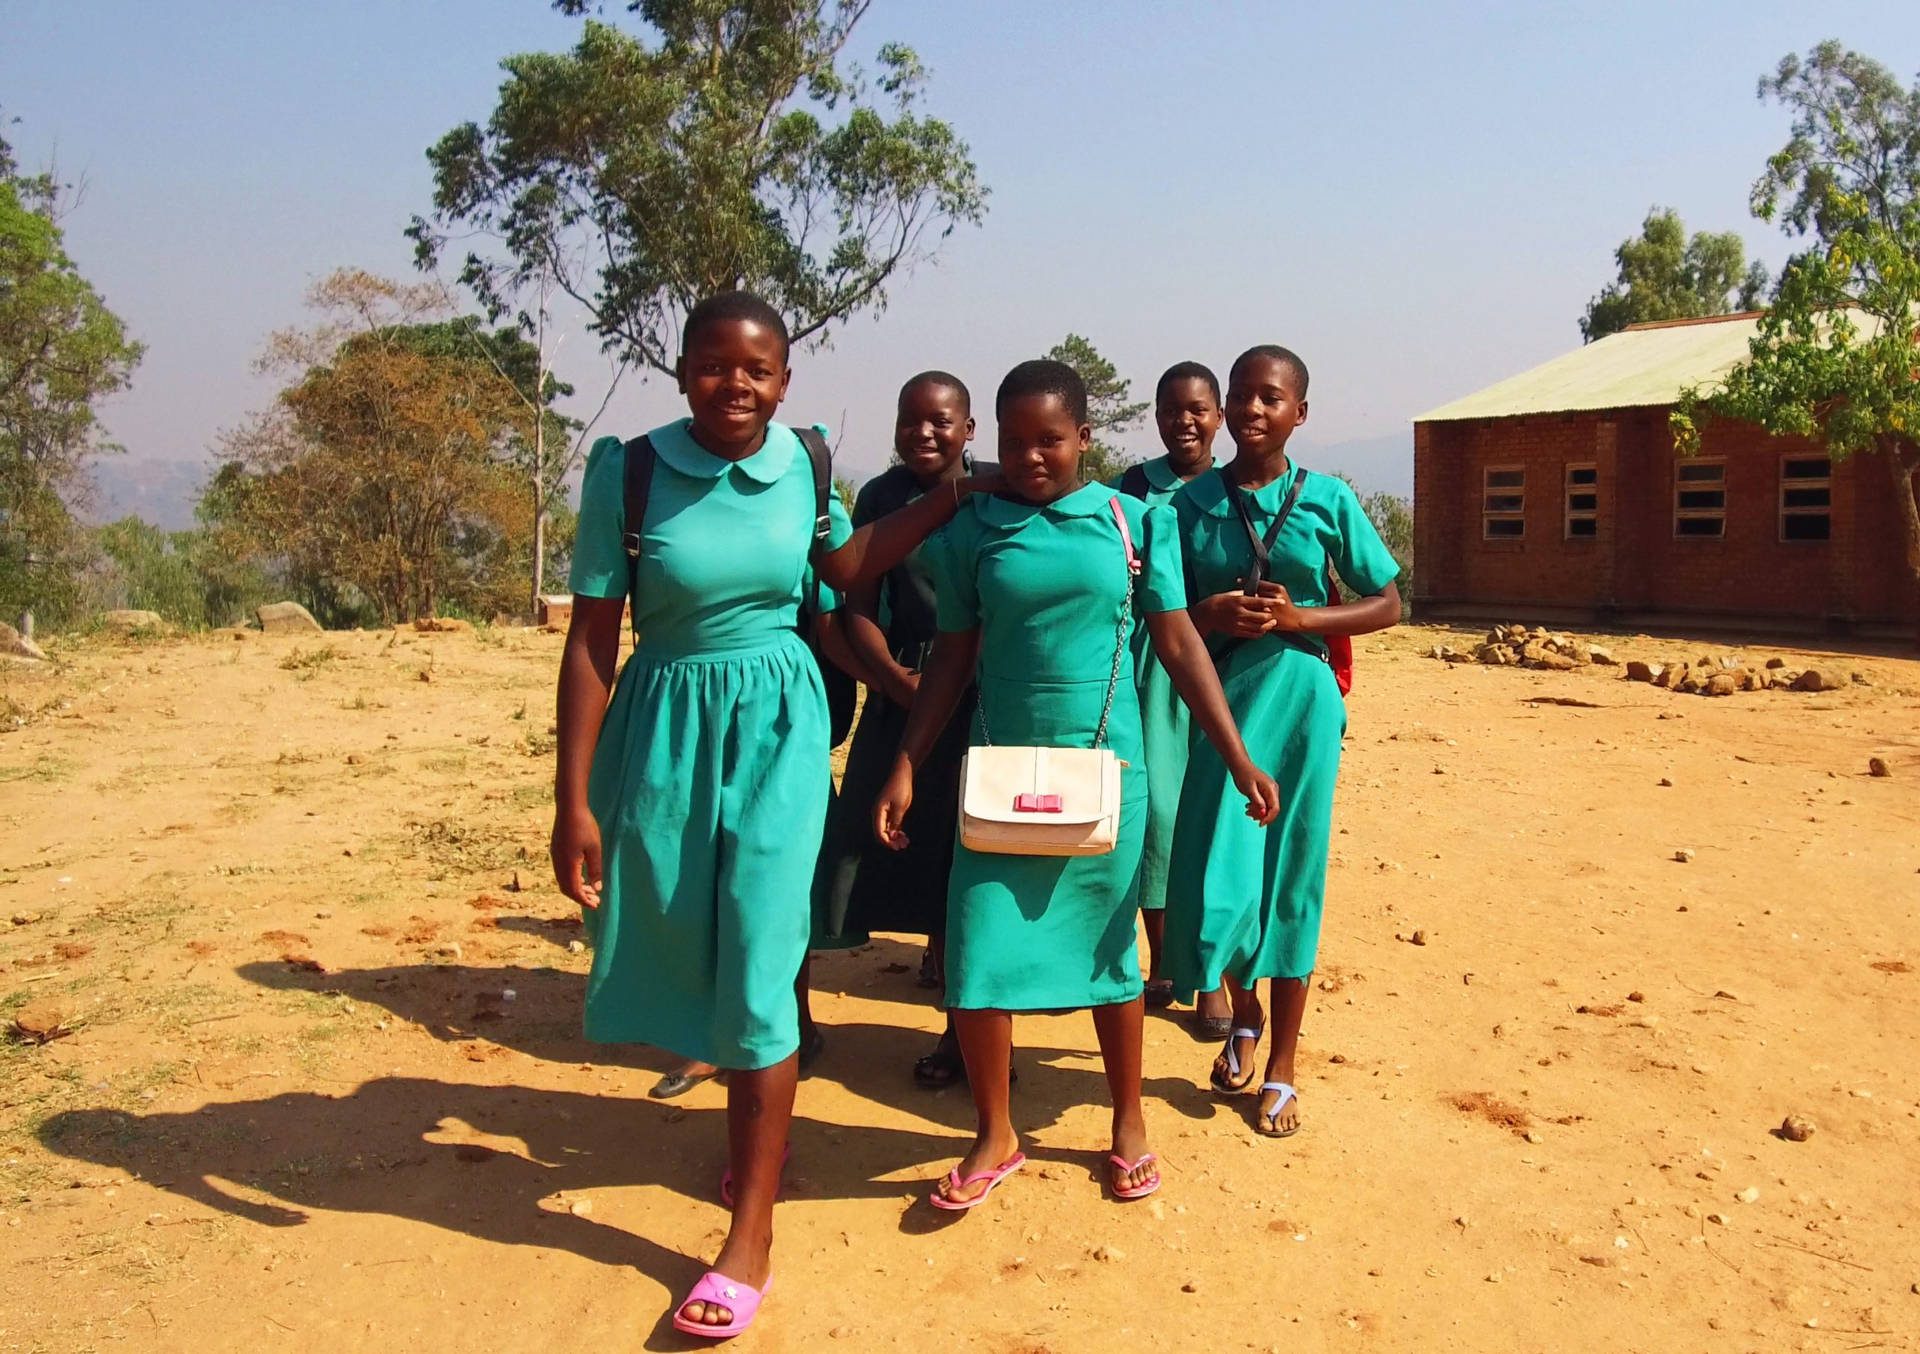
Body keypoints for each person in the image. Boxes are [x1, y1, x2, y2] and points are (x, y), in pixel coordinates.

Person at [549, 291, 995, 1338]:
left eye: (757, 369)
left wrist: (947, 499)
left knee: (760, 950)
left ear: (784, 381)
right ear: (682, 369)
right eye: (714, 364)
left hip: (780, 728)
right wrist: (572, 800)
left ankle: (748, 1235)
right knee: (687, 939)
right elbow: (589, 642)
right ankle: (763, 1124)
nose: (735, 384)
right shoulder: (632, 470)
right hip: (662, 726)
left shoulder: (805, 464)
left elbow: (842, 569)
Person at [874, 359, 1279, 1209]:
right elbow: (952, 657)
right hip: (999, 779)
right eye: (1014, 442)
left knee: (1109, 955)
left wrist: (1236, 754)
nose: (1030, 458)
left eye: (1050, 441)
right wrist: (907, 763)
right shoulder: (972, 531)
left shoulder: (1136, 524)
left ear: (1085, 438)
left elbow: (1178, 644)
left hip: (1106, 773)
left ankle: (1127, 1119)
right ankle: (995, 1131)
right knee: (977, 949)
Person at [1164, 344, 1402, 1138]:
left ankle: (1285, 1066)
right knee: (1216, 872)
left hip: (1302, 705)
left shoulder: (1328, 499)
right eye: (1242, 396)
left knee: (1291, 874)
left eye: (1271, 398)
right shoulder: (1189, 505)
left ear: (1300, 413)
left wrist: (1303, 619)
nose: (1253, 410)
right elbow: (1164, 615)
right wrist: (1212, 615)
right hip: (1222, 707)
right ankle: (1244, 1013)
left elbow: (1390, 602)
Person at [816, 372, 981, 1088]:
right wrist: (894, 683)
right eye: (910, 422)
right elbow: (857, 604)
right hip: (902, 686)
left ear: (969, 430)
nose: (925, 434)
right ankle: (941, 976)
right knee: (897, 841)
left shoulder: (996, 495)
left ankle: (959, 1030)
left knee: (967, 855)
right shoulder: (879, 499)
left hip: (981, 697)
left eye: (941, 422)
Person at [1109, 362, 1233, 1034]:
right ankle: (1166, 963)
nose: (1183, 421)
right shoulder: (1132, 488)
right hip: (1153, 666)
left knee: (1216, 819)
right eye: (1169, 409)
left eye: (1197, 409)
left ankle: (1212, 975)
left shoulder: (1233, 489)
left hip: (1226, 663)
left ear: (1219, 415)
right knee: (1159, 818)